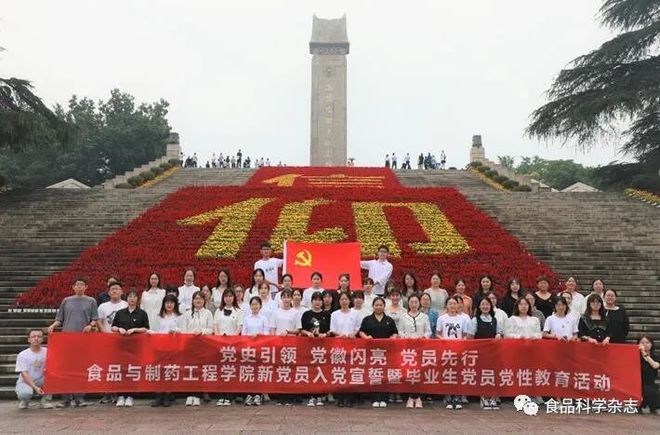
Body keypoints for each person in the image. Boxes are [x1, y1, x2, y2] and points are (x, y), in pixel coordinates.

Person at [47, 277, 97, 408]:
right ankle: (65, 398)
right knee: (65, 368)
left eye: (82, 285)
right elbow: (60, 319)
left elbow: (94, 319)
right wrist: (53, 325)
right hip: (67, 340)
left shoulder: (91, 301)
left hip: (83, 340)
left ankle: (79, 398)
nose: (79, 287)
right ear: (73, 287)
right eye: (77, 285)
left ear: (86, 287)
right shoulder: (66, 301)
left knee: (80, 368)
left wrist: (90, 326)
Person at [110, 289, 150, 407]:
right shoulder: (120, 312)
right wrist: (118, 329)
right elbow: (113, 327)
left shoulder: (142, 313)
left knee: (133, 370)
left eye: (134, 296)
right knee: (122, 370)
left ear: (138, 299)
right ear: (127, 299)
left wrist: (135, 330)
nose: (132, 299)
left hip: (136, 347)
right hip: (121, 346)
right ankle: (121, 395)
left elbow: (146, 328)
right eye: (130, 297)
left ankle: (131, 396)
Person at [359, 297, 398, 408]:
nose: (378, 307)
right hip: (372, 353)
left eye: (381, 305)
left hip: (386, 353)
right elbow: (361, 332)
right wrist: (366, 337)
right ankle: (374, 398)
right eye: (376, 305)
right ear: (373, 306)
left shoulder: (389, 320)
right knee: (374, 373)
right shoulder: (367, 319)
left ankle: (384, 398)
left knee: (384, 374)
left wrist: (393, 337)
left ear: (384, 306)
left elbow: (395, 333)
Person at [467, 297, 502, 410]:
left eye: (487, 304)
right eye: (483, 304)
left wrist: (499, 335)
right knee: (482, 375)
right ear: (479, 307)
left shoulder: (495, 319)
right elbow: (470, 337)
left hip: (493, 352)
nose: (485, 306)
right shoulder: (475, 320)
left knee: (493, 374)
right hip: (480, 352)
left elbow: (499, 333)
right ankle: (483, 397)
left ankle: (493, 397)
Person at [436, 296, 471, 409]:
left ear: (458, 305)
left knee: (458, 373)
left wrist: (462, 342)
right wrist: (442, 340)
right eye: (450, 304)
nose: (452, 306)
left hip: (459, 350)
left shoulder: (463, 319)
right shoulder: (442, 318)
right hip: (446, 350)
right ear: (446, 306)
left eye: (454, 304)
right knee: (447, 372)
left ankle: (457, 396)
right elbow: (437, 333)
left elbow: (465, 335)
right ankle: (448, 395)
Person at [330, 292, 362, 407]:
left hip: (352, 345)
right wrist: (340, 334)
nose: (344, 301)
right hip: (338, 345)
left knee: (350, 371)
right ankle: (340, 397)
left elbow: (358, 327)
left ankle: (350, 398)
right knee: (339, 371)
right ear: (339, 301)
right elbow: (332, 329)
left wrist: (353, 334)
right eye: (342, 299)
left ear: (350, 301)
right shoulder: (334, 314)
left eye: (346, 299)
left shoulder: (355, 313)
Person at [152, 294, 184, 407]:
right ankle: (158, 395)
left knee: (169, 371)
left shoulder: (178, 316)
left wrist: (175, 331)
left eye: (171, 302)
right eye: (167, 302)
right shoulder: (159, 316)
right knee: (159, 371)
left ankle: (168, 395)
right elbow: (154, 330)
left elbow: (183, 331)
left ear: (175, 304)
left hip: (172, 347)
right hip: (160, 347)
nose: (169, 305)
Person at [300, 291, 331, 408]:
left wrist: (326, 334)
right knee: (311, 370)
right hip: (309, 347)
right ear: (312, 301)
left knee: (321, 371)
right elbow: (301, 329)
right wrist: (307, 332)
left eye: (319, 300)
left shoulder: (327, 315)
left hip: (323, 347)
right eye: (315, 300)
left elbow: (331, 330)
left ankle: (320, 395)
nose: (317, 302)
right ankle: (311, 396)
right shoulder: (306, 314)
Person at [184, 291, 214, 406]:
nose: (198, 301)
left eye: (200, 299)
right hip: (190, 345)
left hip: (203, 345)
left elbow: (211, 329)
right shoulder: (187, 314)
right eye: (196, 298)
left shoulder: (208, 313)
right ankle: (190, 394)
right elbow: (184, 329)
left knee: (201, 369)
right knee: (191, 370)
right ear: (193, 300)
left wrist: (202, 332)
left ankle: (198, 394)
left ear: (204, 300)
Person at [214, 289, 243, 407]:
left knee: (231, 370)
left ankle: (230, 395)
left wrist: (232, 339)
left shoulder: (238, 311)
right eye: (226, 296)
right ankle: (221, 395)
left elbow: (239, 327)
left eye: (230, 296)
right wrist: (219, 337)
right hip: (219, 344)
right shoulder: (218, 311)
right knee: (221, 370)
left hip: (233, 344)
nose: (228, 298)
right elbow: (215, 326)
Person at [242, 296, 270, 406]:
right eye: (252, 304)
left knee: (259, 371)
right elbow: (243, 333)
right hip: (248, 348)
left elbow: (267, 333)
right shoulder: (246, 318)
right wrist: (250, 337)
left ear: (260, 306)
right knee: (249, 371)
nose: (254, 306)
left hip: (260, 348)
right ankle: (250, 394)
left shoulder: (263, 318)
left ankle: (258, 394)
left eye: (256, 304)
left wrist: (258, 335)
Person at [15, 329, 52, 409]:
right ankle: (25, 401)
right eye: (33, 336)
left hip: (42, 380)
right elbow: (24, 374)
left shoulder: (48, 352)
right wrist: (35, 387)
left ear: (42, 339)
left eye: (39, 336)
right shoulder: (22, 355)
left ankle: (45, 400)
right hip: (25, 381)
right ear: (29, 339)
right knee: (24, 394)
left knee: (54, 378)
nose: (36, 338)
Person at [638, 335, 659, 415]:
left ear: (651, 344)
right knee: (646, 391)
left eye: (647, 342)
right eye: (642, 342)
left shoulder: (655, 356)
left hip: (650, 382)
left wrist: (644, 353)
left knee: (653, 391)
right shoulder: (635, 356)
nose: (645, 344)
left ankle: (653, 408)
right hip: (638, 382)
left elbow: (655, 366)